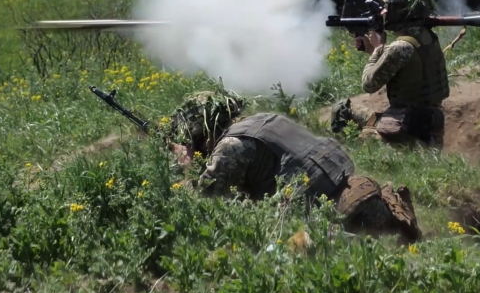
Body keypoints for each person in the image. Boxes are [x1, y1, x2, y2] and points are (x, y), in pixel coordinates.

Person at [165, 90, 422, 245]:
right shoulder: (265, 119)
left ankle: (365, 249)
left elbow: (206, 199)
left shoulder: (231, 145)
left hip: (337, 216)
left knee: (291, 240)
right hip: (354, 192)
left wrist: (182, 167)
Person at [330, 0, 450, 147]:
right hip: (429, 127)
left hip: (404, 132)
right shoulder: (427, 37)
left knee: (341, 108)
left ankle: (352, 153)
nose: (384, 12)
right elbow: (404, 66)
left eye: (388, 7)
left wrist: (378, 49)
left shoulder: (400, 47)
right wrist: (372, 50)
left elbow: (369, 84)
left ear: (401, 10)